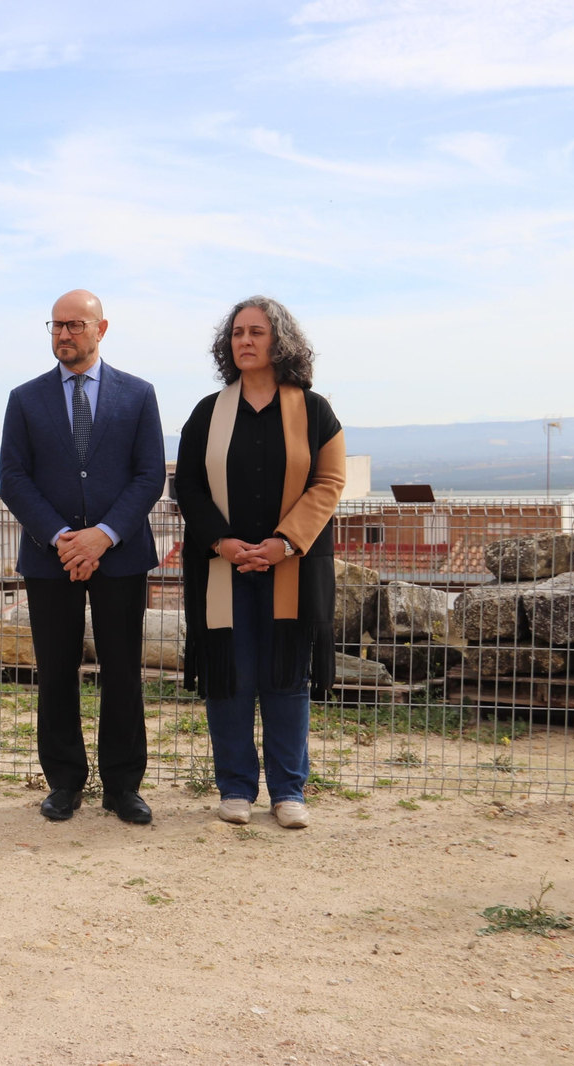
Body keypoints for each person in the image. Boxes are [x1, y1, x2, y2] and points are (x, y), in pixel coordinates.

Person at [174, 295, 345, 830]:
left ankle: (289, 791)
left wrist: (284, 543)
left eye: (257, 332)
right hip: (222, 567)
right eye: (237, 333)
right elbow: (189, 487)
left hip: (291, 566)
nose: (245, 341)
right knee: (230, 675)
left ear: (280, 340)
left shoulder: (314, 411)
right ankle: (235, 788)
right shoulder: (208, 411)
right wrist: (223, 542)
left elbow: (329, 482)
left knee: (285, 676)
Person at [0, 290, 166, 824]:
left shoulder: (138, 395)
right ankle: (64, 784)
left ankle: (123, 787)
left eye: (74, 325)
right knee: (56, 672)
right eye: (56, 326)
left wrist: (104, 535)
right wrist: (63, 537)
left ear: (101, 328)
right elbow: (13, 478)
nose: (63, 335)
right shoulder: (24, 399)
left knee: (122, 672)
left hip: (120, 556)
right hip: (51, 559)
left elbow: (149, 475)